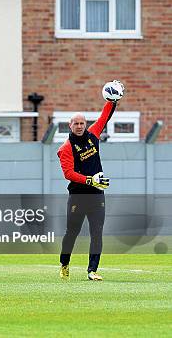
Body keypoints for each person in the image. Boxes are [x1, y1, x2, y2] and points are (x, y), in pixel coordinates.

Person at [57, 81, 124, 281]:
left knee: (97, 232)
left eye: (82, 123)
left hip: (97, 196)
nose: (79, 126)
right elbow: (68, 174)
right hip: (78, 196)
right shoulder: (66, 148)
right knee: (72, 233)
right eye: (75, 124)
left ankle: (92, 270)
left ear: (85, 124)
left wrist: (113, 101)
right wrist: (90, 180)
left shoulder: (93, 135)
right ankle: (64, 263)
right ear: (70, 126)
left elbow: (105, 116)